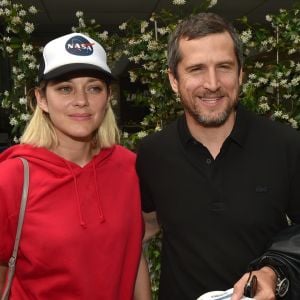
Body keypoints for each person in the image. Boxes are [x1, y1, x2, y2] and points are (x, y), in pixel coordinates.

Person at [136, 12, 300, 300]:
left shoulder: (286, 144)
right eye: (196, 69)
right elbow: (139, 231)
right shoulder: (152, 154)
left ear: (240, 74)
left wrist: (272, 271)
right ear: (174, 79)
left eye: (224, 67)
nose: (212, 83)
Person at [0, 32, 151, 299]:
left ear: (107, 98)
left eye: (94, 87)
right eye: (65, 88)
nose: (81, 100)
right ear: (41, 99)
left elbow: (134, 256)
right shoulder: (11, 178)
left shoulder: (129, 168)